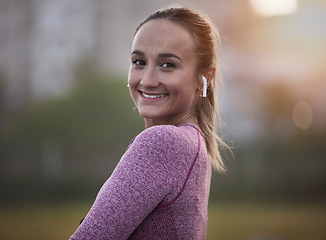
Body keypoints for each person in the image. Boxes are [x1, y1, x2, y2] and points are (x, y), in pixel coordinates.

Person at [69, 6, 228, 240]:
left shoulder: (163, 142)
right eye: (139, 61)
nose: (147, 80)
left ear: (204, 78)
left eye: (167, 65)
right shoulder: (193, 142)